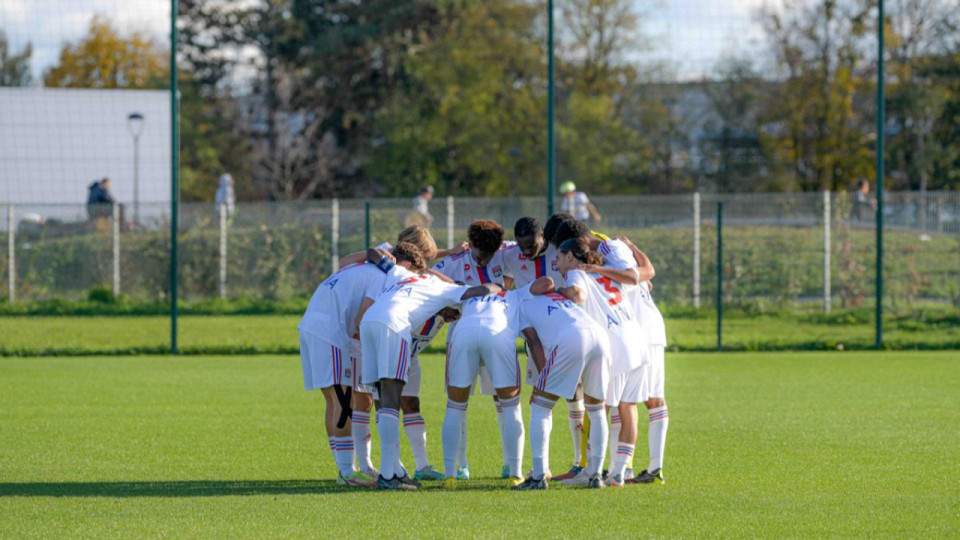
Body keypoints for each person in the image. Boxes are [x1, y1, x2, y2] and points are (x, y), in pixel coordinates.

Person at [358, 246, 501, 490]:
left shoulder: (400, 273)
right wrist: (499, 287)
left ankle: (393, 470)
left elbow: (373, 253)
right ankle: (390, 476)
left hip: (369, 322)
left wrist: (385, 254)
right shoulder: (443, 289)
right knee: (393, 397)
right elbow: (481, 289)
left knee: (381, 399)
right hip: (394, 324)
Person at [441, 277, 556, 489]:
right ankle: (515, 473)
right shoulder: (514, 295)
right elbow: (546, 283)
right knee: (511, 405)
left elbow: (445, 284)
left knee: (455, 406)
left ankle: (450, 476)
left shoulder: (470, 294)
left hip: (463, 334)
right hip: (498, 334)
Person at [297, 255, 400, 488]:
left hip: (323, 327)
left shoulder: (365, 265)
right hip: (331, 332)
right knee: (342, 401)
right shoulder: (383, 276)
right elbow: (360, 320)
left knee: (356, 400)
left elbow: (343, 261)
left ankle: (362, 467)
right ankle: (346, 472)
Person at [555, 238, 648, 487]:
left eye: (559, 256)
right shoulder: (605, 274)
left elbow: (576, 294)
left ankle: (591, 472)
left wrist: (554, 291)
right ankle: (618, 474)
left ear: (571, 257)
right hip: (638, 341)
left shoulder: (576, 273)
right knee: (628, 408)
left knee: (599, 409)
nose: (556, 262)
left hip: (616, 345)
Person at [432, 218, 514, 479]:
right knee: (459, 400)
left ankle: (509, 463)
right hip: (461, 333)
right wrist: (444, 304)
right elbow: (426, 275)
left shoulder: (508, 252)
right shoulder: (455, 260)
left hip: (498, 332)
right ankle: (461, 464)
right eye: (479, 254)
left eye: (489, 256)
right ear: (472, 246)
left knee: (502, 399)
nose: (483, 260)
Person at [512, 289, 611, 490]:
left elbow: (534, 342)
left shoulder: (519, 305)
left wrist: (542, 381)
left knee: (540, 406)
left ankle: (538, 477)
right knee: (597, 410)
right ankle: (596, 475)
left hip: (573, 338)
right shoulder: (553, 296)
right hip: (600, 335)